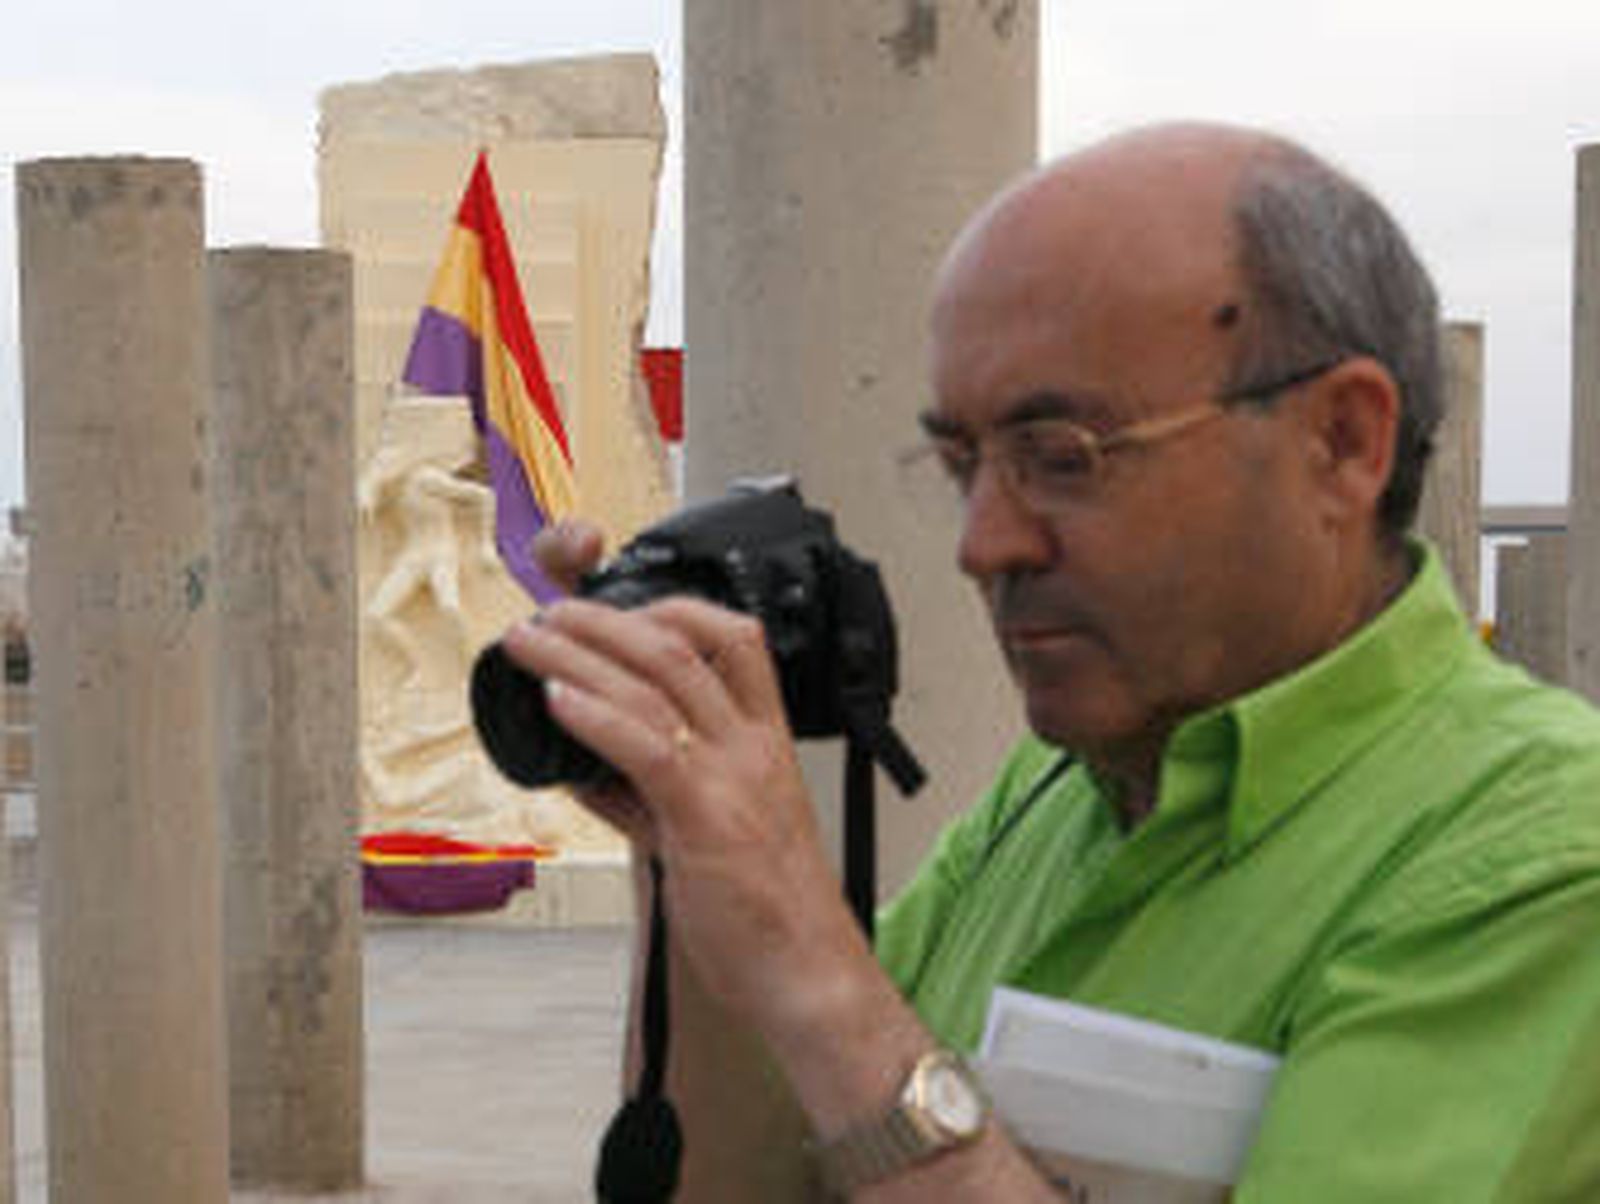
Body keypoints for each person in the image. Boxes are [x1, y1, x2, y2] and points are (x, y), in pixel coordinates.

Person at [502, 122, 1600, 1201]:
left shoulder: (1541, 858)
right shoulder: (1061, 789)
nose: (983, 542)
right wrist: (688, 862)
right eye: (961, 464)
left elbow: (855, 1058)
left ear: (1342, 441)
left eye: (1062, 458)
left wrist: (810, 957)